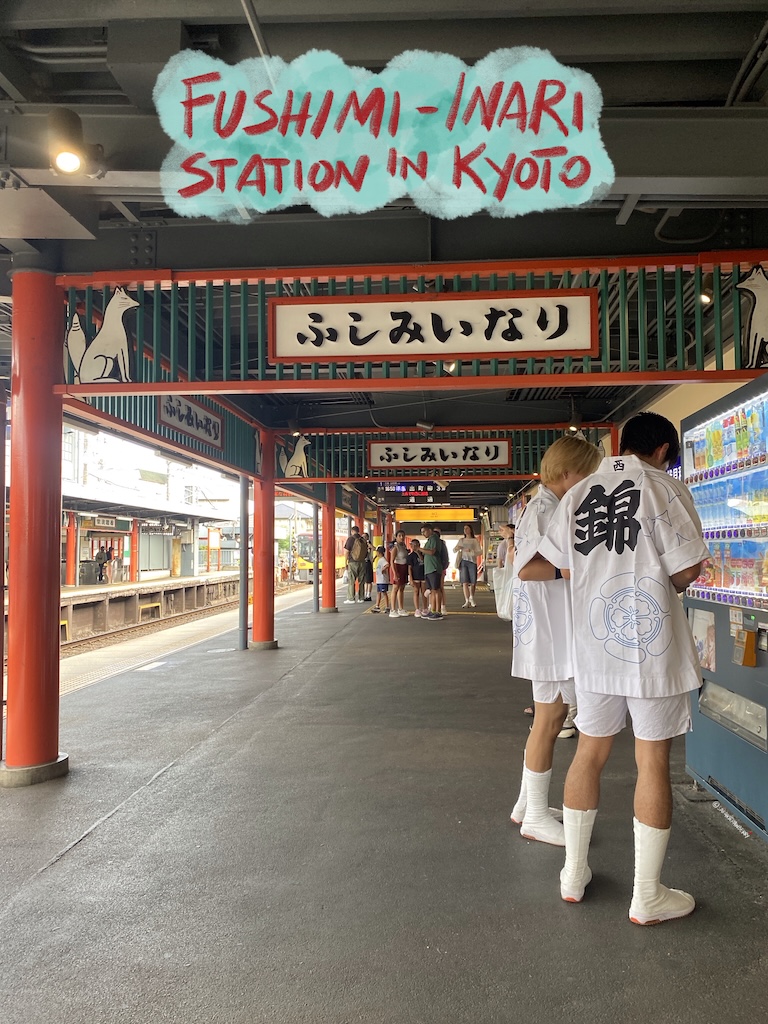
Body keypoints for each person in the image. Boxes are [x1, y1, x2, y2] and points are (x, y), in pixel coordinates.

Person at [538, 411, 709, 924]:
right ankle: (647, 894)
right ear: (661, 450)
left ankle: (573, 872)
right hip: (652, 647)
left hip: (594, 645)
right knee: (651, 762)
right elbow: (686, 568)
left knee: (589, 753)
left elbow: (560, 565)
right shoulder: (664, 488)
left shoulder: (578, 494)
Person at [510, 435, 603, 846]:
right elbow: (528, 569)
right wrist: (574, 571)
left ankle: (527, 805)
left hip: (548, 631)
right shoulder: (546, 509)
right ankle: (533, 816)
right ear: (568, 473)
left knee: (548, 720)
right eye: (587, 473)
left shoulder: (547, 504)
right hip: (550, 634)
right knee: (548, 722)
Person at [454, 523, 482, 608]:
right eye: (464, 528)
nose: (465, 530)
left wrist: (471, 551)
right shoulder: (461, 540)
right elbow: (454, 550)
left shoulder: (474, 540)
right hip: (463, 561)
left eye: (467, 528)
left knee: (473, 582)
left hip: (472, 561)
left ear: (470, 530)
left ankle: (471, 598)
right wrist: (458, 547)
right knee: (464, 582)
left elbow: (480, 552)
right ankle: (466, 600)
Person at [419, 524, 444, 620]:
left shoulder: (434, 538)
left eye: (424, 531)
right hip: (429, 568)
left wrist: (419, 549)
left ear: (430, 530)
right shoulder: (429, 540)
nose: (423, 534)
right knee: (433, 590)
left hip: (434, 567)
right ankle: (433, 610)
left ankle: (437, 611)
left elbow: (432, 552)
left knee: (435, 590)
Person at [388, 529, 410, 617]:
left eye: (403, 535)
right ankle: (392, 610)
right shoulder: (395, 548)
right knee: (395, 588)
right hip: (397, 567)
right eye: (399, 536)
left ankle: (400, 608)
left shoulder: (404, 546)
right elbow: (391, 561)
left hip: (404, 568)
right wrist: (395, 573)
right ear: (396, 537)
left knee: (402, 588)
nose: (402, 537)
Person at [343, 525, 368, 604]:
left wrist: (346, 563)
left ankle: (351, 598)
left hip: (352, 562)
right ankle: (361, 598)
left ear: (352, 531)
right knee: (361, 581)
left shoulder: (350, 539)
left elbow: (346, 552)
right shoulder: (363, 540)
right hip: (362, 562)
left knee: (351, 580)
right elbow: (366, 552)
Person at [406, 537, 428, 617]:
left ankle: (425, 608)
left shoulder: (423, 553)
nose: (414, 547)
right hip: (415, 576)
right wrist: (410, 578)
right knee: (416, 592)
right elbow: (409, 568)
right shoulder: (410, 556)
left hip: (423, 575)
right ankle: (417, 609)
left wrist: (418, 552)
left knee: (424, 592)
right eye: (413, 545)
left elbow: (422, 559)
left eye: (416, 545)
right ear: (411, 546)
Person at [433, 527, 450, 615]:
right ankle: (436, 606)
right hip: (436, 568)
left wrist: (444, 567)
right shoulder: (440, 544)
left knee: (438, 587)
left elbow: (445, 557)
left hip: (439, 568)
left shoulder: (441, 544)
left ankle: (441, 606)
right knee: (436, 588)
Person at [371, 545, 390, 613]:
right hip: (379, 580)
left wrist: (383, 569)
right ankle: (377, 606)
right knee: (379, 593)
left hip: (383, 580)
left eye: (377, 552)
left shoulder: (383, 560)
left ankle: (387, 607)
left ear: (379, 552)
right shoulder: (380, 559)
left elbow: (387, 565)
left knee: (384, 593)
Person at [362, 532, 374, 601]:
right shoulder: (361, 544)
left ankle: (368, 595)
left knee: (369, 580)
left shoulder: (368, 544)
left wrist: (369, 544)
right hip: (363, 563)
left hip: (367, 562)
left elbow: (374, 548)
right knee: (365, 580)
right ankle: (365, 594)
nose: (363, 538)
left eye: (365, 537)